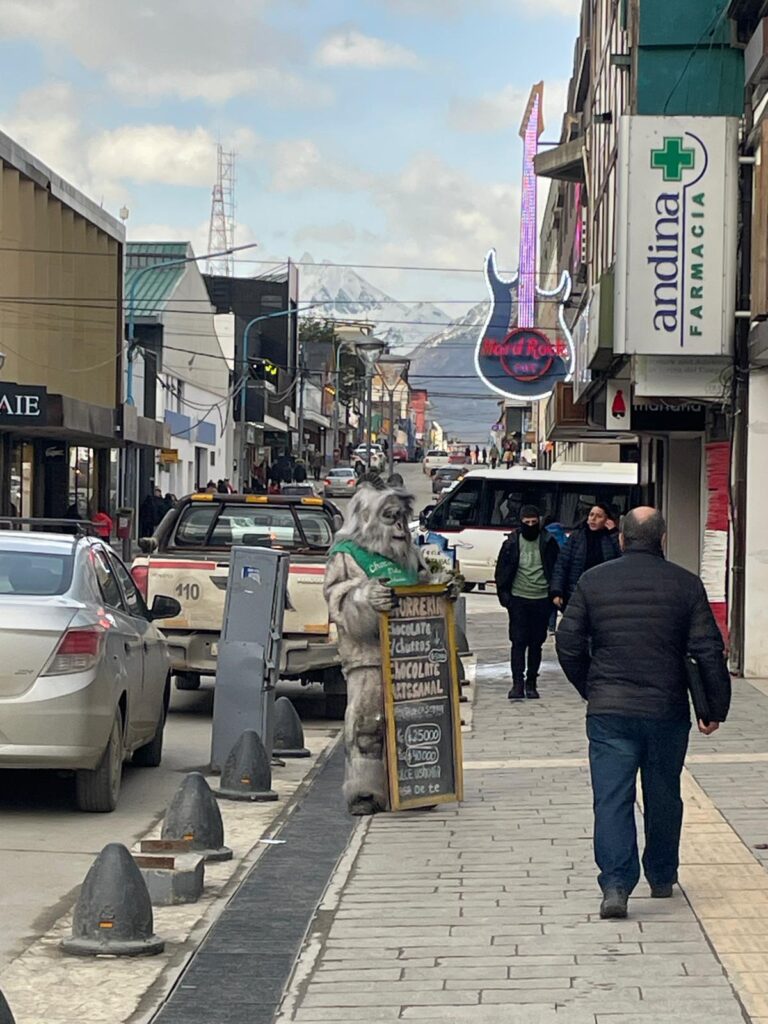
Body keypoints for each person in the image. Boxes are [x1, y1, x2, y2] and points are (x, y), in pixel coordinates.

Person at [556, 508, 731, 920]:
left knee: (612, 798)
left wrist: (591, 688)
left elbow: (567, 643)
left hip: (609, 712)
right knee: (664, 793)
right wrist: (713, 708)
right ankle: (662, 874)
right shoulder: (686, 585)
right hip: (666, 710)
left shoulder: (593, 582)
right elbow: (708, 649)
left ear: (622, 539)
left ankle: (616, 885)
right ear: (663, 539)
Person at [494, 505, 560, 700]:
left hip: (541, 598)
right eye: (527, 522)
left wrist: (554, 594)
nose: (530, 525)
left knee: (536, 643)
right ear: (521, 521)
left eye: (534, 522)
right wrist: (505, 597)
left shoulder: (548, 541)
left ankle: (532, 682)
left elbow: (556, 568)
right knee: (518, 642)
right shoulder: (512, 543)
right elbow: (501, 570)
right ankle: (517, 683)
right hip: (518, 599)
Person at [550, 503, 620, 608]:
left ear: (607, 520)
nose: (593, 519)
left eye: (599, 516)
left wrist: (614, 533)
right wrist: (557, 591)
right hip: (576, 593)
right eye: (591, 515)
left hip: (603, 595)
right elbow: (562, 564)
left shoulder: (611, 538)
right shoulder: (576, 537)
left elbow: (623, 558)